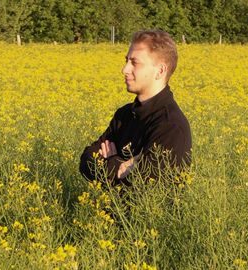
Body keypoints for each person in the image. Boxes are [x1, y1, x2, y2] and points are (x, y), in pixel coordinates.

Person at [79, 30, 191, 185]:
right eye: (126, 61)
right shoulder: (124, 115)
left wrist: (109, 163)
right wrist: (119, 166)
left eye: (134, 62)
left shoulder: (170, 126)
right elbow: (85, 161)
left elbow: (143, 190)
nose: (124, 69)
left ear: (160, 71)